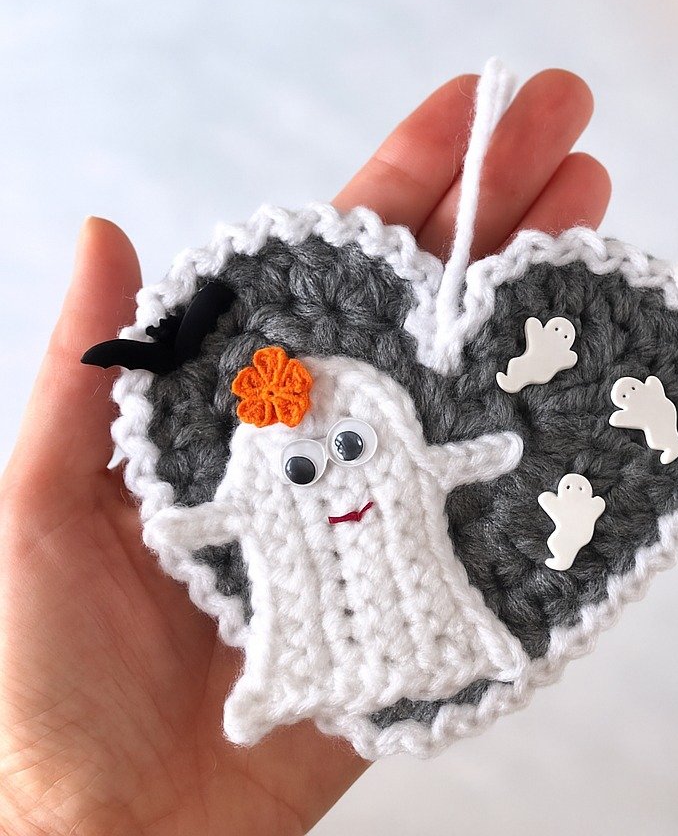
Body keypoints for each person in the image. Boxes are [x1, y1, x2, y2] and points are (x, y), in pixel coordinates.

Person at [0, 69, 610, 836]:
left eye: (349, 447)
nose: (339, 480)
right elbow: (222, 518)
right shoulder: (269, 490)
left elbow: (456, 461)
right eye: (305, 465)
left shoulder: (404, 460)